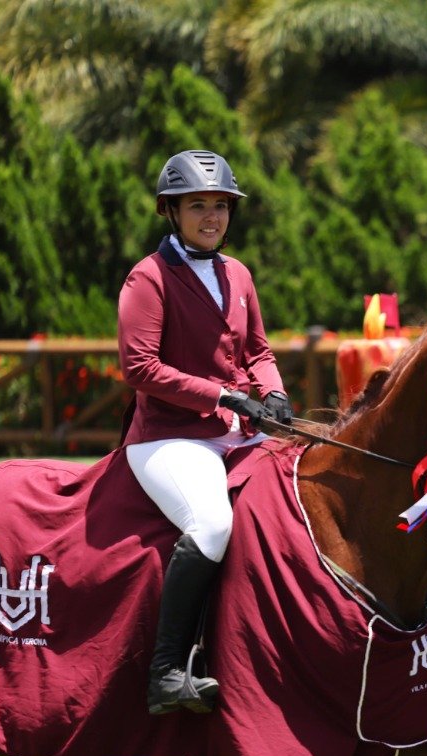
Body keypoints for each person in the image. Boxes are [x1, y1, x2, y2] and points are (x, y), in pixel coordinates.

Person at [117, 149, 294, 717]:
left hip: (233, 429)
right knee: (213, 525)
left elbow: (258, 351)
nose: (212, 217)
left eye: (220, 206)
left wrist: (274, 392)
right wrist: (222, 395)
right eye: (198, 206)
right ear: (171, 211)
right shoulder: (149, 277)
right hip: (168, 438)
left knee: (296, 493)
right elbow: (139, 368)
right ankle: (167, 671)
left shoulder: (237, 273)